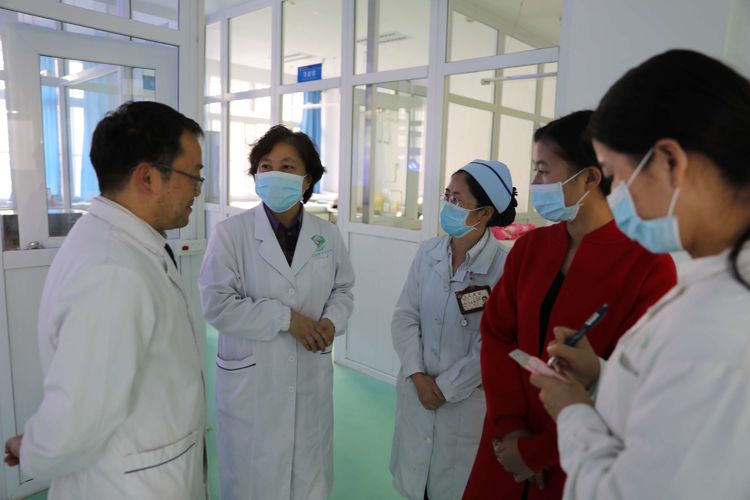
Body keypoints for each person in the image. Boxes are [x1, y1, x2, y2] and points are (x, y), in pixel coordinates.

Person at [531, 49, 750, 500]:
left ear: (669, 161)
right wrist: (601, 376)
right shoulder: (715, 282)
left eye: (615, 176)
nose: (615, 197)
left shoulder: (717, 327)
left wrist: (573, 415)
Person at [463, 111, 677, 500]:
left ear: (590, 178)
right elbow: (497, 336)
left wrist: (539, 452)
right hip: (505, 448)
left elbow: (632, 380)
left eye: (544, 171)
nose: (534, 183)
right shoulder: (530, 248)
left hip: (576, 453)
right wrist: (510, 429)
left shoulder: (648, 265)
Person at [2, 101, 207, 499]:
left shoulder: (123, 243)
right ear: (148, 177)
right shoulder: (114, 270)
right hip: (129, 486)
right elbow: (77, 416)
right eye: (193, 177)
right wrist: (34, 449)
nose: (197, 191)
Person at [199, 125, 355, 500]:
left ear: (307, 180)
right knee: (254, 478)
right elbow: (217, 303)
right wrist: (286, 319)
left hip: (310, 374)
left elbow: (343, 289)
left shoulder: (327, 235)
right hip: (253, 381)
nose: (273, 175)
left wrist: (332, 321)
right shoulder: (230, 234)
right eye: (265, 166)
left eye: (287, 167)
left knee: (307, 476)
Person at [390, 160, 518, 500]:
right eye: (447, 195)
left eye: (457, 199)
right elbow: (405, 316)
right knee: (416, 484)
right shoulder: (428, 252)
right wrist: (418, 375)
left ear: (484, 213)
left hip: (463, 404)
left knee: (455, 488)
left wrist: (444, 388)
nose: (447, 205)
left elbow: (494, 344)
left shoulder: (505, 268)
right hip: (417, 392)